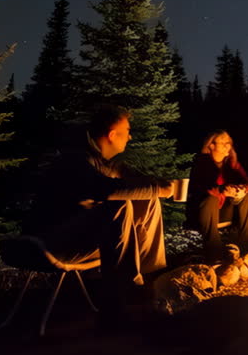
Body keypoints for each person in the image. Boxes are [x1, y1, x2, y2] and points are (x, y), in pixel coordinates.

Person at [27, 105, 173, 317]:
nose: (130, 137)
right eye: (127, 131)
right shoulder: (76, 159)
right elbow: (104, 189)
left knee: (148, 201)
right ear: (112, 135)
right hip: (52, 241)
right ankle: (121, 299)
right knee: (119, 204)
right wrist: (158, 188)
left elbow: (130, 178)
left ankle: (149, 281)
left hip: (76, 236)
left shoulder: (102, 162)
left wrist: (158, 185)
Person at [187, 130, 248, 261]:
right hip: (207, 212)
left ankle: (247, 247)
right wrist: (220, 189)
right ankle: (214, 252)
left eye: (229, 143)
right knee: (210, 198)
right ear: (211, 145)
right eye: (223, 143)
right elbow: (199, 187)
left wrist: (241, 190)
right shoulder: (201, 162)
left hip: (228, 209)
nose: (227, 146)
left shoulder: (232, 163)